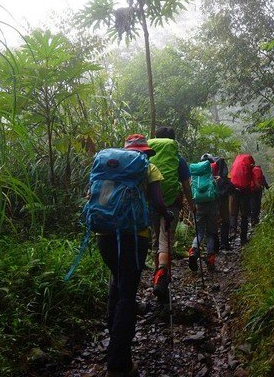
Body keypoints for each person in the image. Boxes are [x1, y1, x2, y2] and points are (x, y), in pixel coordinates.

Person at [95, 134, 172, 377]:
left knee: (117, 283)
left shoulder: (111, 166)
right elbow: (158, 202)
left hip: (104, 235)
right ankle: (119, 365)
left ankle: (113, 336)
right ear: (145, 152)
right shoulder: (148, 167)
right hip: (134, 237)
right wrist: (166, 216)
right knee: (128, 294)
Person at [148, 126, 195, 301]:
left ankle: (157, 277)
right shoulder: (177, 158)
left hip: (152, 204)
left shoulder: (147, 156)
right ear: (173, 141)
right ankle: (162, 276)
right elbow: (186, 185)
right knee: (166, 241)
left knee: (156, 241)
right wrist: (191, 205)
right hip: (172, 205)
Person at [188, 158, 219, 272]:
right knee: (210, 234)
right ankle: (210, 259)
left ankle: (193, 250)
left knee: (199, 232)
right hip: (211, 207)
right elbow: (217, 194)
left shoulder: (194, 180)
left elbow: (191, 194)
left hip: (198, 207)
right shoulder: (211, 180)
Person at [201, 152, 232, 251]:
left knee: (212, 221)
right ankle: (224, 243)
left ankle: (214, 246)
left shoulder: (202, 166)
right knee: (225, 219)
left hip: (209, 197)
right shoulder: (220, 163)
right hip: (222, 195)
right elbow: (227, 179)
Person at [228, 153, 255, 245]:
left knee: (233, 213)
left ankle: (232, 231)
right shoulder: (249, 164)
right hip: (245, 191)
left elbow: (230, 176)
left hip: (234, 189)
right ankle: (243, 237)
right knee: (244, 215)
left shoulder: (235, 163)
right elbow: (252, 178)